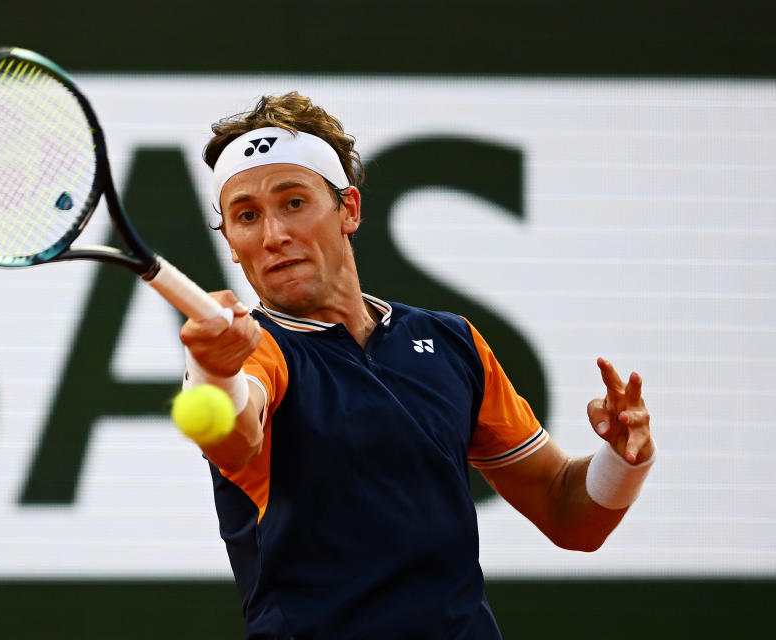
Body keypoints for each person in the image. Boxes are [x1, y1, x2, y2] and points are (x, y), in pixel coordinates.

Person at [178, 93, 655, 639]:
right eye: (246, 216)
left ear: (349, 209)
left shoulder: (451, 342)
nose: (273, 235)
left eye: (293, 203)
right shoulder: (256, 353)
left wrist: (622, 460)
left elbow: (567, 512)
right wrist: (213, 370)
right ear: (232, 246)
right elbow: (236, 439)